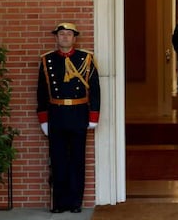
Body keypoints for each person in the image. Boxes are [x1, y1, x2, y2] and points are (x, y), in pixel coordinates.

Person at [36, 22, 100, 213]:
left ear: (74, 38)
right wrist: (44, 119)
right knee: (58, 160)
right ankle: (59, 203)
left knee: (77, 160)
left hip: (79, 113)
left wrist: (94, 116)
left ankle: (75, 203)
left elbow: (95, 90)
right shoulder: (47, 60)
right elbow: (41, 92)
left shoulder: (86, 59)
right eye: (61, 34)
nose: (64, 37)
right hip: (56, 115)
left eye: (68, 34)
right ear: (56, 38)